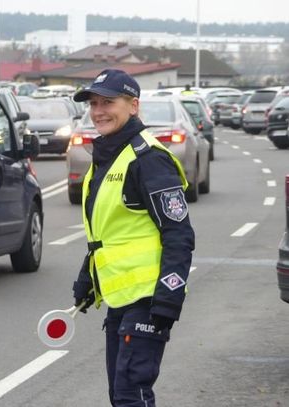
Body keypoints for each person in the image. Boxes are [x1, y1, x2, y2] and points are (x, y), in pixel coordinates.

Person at [71, 69, 195, 407]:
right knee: (120, 394)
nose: (98, 111)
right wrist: (89, 276)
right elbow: (114, 232)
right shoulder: (108, 157)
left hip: (149, 299)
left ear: (134, 105)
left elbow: (179, 233)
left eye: (108, 102)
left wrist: (169, 295)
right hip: (121, 298)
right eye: (94, 103)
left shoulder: (149, 159)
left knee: (131, 394)